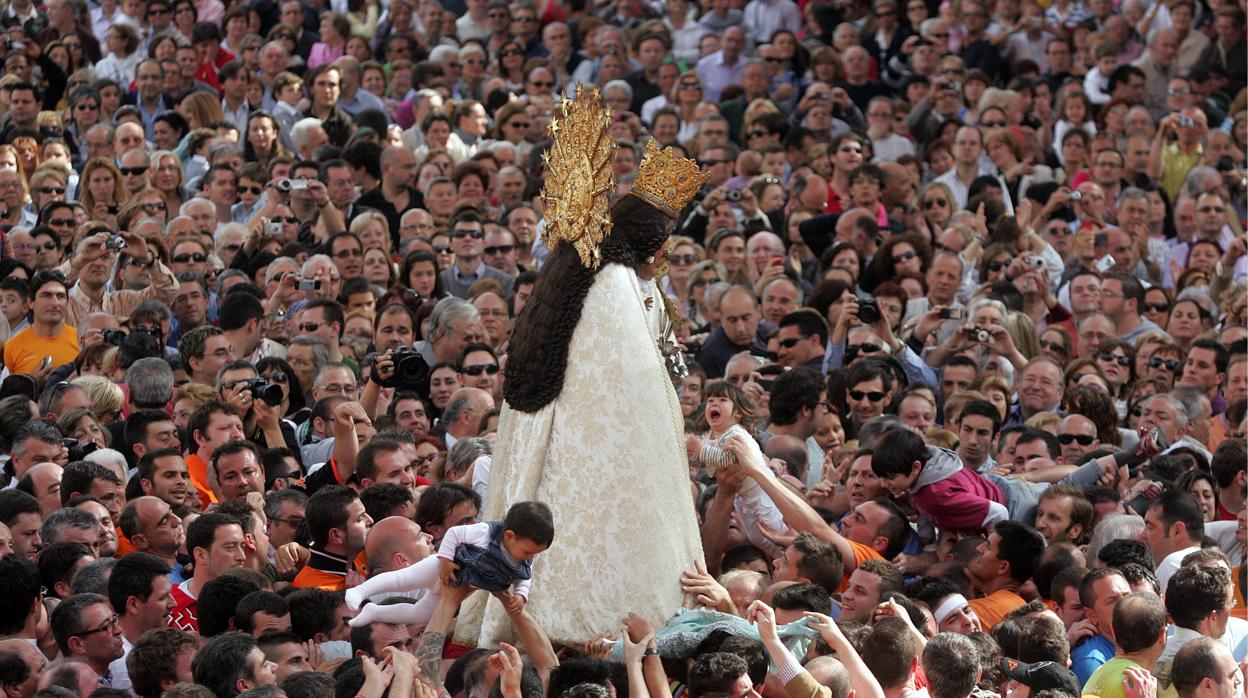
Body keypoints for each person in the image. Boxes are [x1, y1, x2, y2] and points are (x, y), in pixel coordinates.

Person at [457, 91, 705, 646]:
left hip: (547, 422)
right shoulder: (612, 277)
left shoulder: (576, 264)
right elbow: (632, 381)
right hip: (592, 439)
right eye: (660, 240)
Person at [344, 500, 552, 626]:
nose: (529, 557)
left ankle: (374, 612)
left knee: (422, 614)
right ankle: (360, 591)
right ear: (510, 536)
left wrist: (521, 595)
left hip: (454, 585)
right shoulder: (485, 532)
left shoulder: (525, 558)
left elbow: (524, 577)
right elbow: (453, 533)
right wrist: (444, 560)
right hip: (440, 567)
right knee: (402, 579)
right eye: (527, 551)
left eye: (535, 554)